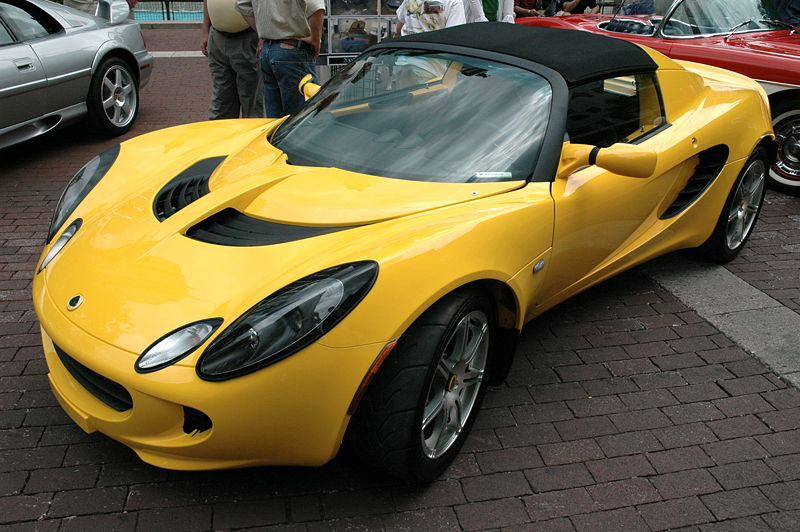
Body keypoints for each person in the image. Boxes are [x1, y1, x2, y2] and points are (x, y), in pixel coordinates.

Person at [236, 0, 325, 118]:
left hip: (268, 50)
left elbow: (241, 5)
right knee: (301, 119)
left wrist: (265, 31)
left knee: (275, 122)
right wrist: (315, 40)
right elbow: (316, 7)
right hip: (292, 51)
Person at [202, 0, 264, 120]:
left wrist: (262, 34)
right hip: (218, 37)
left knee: (252, 100)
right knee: (221, 99)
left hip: (247, 36)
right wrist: (205, 29)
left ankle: (251, 136)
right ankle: (223, 136)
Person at [395, 0, 466, 35]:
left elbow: (399, 27)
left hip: (404, 58)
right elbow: (454, 36)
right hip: (435, 59)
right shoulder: (454, 2)